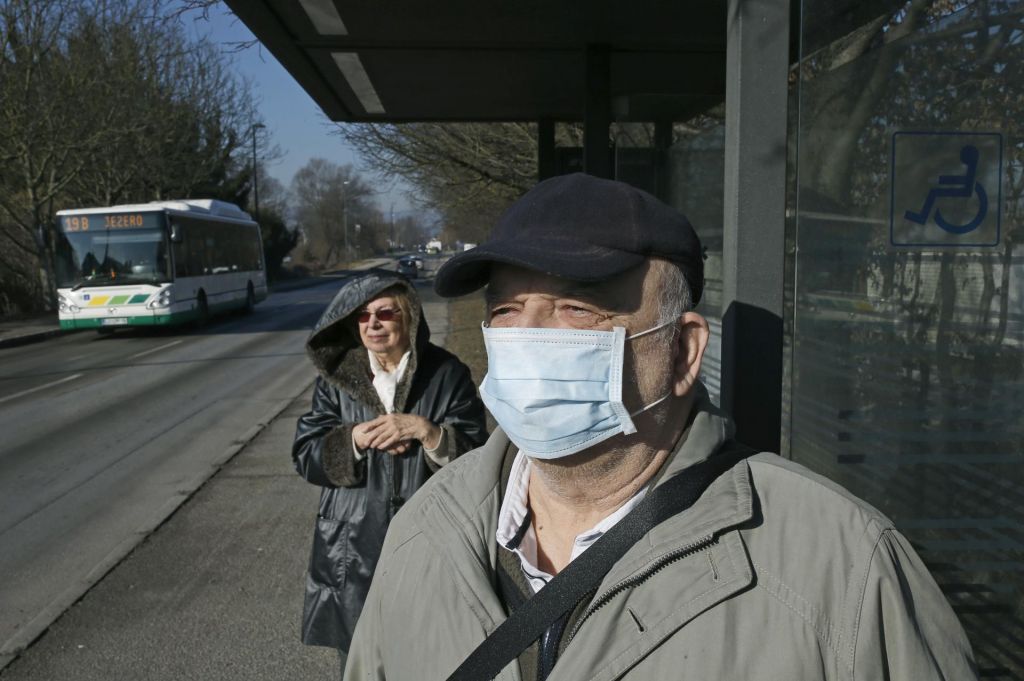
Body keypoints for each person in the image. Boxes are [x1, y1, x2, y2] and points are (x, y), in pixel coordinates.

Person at [343, 174, 977, 681]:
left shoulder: (846, 569)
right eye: (507, 308)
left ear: (682, 352)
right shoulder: (424, 534)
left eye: (577, 307)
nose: (529, 335)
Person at [292, 269, 488, 672]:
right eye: (363, 316)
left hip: (429, 539)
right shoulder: (335, 383)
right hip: (352, 549)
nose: (373, 324)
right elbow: (306, 453)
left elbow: (479, 459)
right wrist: (354, 440)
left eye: (386, 313)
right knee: (362, 662)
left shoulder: (447, 375)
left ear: (409, 317)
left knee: (430, 657)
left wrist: (428, 432)